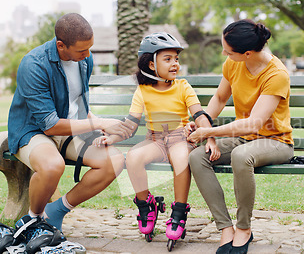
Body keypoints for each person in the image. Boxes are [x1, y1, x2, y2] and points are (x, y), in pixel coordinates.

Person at [7, 13, 133, 253]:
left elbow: (79, 103)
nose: (87, 55)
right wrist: (99, 122)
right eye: (81, 51)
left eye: (89, 49)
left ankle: (55, 212)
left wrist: (99, 122)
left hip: (69, 127)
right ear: (60, 45)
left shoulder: (85, 60)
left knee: (114, 161)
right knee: (53, 165)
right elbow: (50, 125)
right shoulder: (33, 64)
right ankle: (34, 221)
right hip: (33, 130)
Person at [94, 32, 219, 249]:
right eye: (167, 59)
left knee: (181, 159)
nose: (174, 64)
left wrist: (209, 137)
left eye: (176, 59)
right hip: (155, 140)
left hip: (181, 138)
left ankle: (179, 212)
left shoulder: (183, 87)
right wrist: (112, 137)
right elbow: (131, 125)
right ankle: (146, 205)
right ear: (151, 65)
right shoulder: (143, 91)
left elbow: (199, 116)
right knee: (133, 157)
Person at [187, 19, 294, 254]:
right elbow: (219, 99)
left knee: (240, 155)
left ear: (247, 53)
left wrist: (210, 132)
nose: (224, 54)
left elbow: (253, 123)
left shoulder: (276, 75)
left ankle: (244, 228)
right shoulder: (233, 63)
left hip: (275, 141)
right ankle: (225, 227)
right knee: (197, 157)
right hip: (245, 139)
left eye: (228, 51)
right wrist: (199, 123)